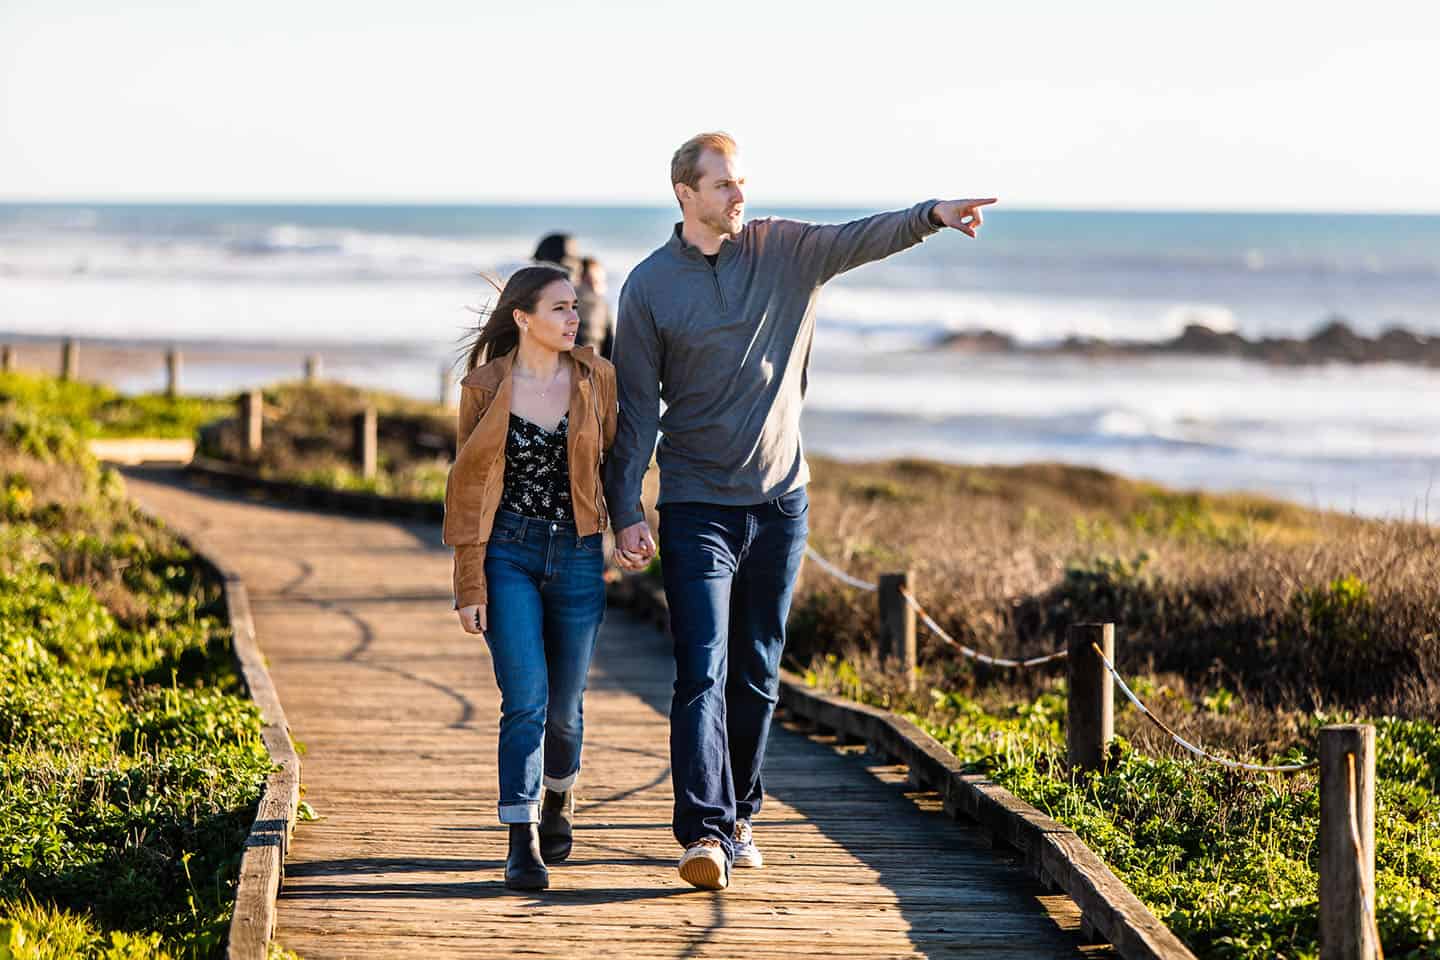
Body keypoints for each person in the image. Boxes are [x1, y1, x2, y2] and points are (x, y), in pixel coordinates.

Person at [603, 131, 996, 891]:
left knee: (755, 672)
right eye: (722, 186)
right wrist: (628, 508)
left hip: (781, 503)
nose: (739, 197)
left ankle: (741, 812)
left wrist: (933, 213)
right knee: (701, 673)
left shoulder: (786, 251)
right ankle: (706, 834)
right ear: (685, 195)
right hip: (695, 507)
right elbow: (635, 410)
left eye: (742, 181)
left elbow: (862, 237)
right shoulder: (648, 287)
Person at [443, 264, 618, 891]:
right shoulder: (484, 387)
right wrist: (469, 583)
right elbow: (466, 490)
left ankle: (559, 798)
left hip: (576, 553)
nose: (575, 318)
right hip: (507, 553)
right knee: (526, 701)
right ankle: (521, 841)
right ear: (523, 318)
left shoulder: (598, 377)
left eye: (575, 307)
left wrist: (626, 524)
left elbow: (616, 463)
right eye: (560, 309)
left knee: (566, 711)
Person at [576, 256, 614, 359]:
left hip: (594, 368)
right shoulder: (600, 304)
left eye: (601, 282)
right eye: (593, 282)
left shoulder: (603, 306)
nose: (597, 288)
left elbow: (609, 348)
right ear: (579, 280)